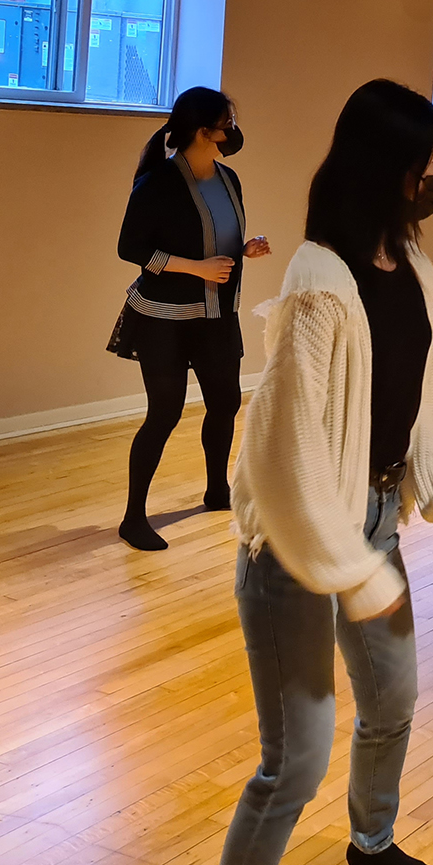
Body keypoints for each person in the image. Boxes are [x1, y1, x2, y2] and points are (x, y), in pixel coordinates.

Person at [215, 79, 433, 865]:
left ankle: (371, 839)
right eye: (431, 163)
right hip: (295, 547)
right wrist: (353, 570)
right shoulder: (317, 280)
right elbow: (281, 458)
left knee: (393, 701)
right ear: (390, 168)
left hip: (374, 521)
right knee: (292, 766)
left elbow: (424, 382)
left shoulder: (409, 262)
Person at [112, 87, 271, 552]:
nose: (234, 130)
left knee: (225, 403)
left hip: (217, 315)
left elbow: (213, 239)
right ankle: (133, 517)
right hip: (164, 317)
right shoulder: (159, 182)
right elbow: (131, 249)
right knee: (165, 413)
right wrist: (195, 267)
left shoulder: (229, 178)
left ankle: (216, 489)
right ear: (204, 131)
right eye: (228, 122)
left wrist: (244, 251)